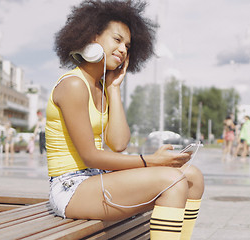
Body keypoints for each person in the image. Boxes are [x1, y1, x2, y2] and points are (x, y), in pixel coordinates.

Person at [46, 1, 204, 239]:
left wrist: (114, 88)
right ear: (92, 36)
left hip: (96, 179)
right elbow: (90, 155)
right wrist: (152, 161)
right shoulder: (74, 85)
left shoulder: (100, 88)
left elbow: (118, 143)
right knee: (171, 180)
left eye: (127, 46)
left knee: (192, 175)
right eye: (117, 40)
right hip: (70, 188)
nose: (122, 50)